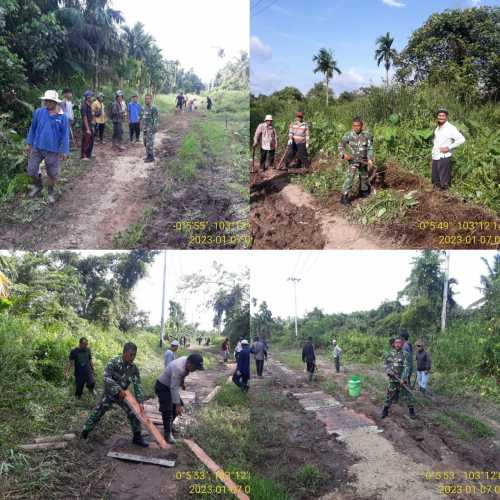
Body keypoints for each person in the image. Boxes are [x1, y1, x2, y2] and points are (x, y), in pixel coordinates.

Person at [81, 342, 149, 447]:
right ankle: (85, 432)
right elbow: (106, 377)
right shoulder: (114, 362)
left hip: (124, 396)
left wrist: (140, 402)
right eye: (131, 354)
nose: (133, 357)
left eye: (134, 355)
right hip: (110, 393)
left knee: (134, 412)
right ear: (124, 353)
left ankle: (137, 437)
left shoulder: (133, 369)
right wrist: (118, 389)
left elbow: (137, 386)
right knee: (98, 411)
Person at [26, 90, 70, 205]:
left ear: (56, 102)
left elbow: (65, 135)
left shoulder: (62, 117)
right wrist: (29, 143)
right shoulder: (39, 112)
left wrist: (64, 151)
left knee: (52, 173)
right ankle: (38, 185)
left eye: (51, 101)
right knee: (31, 169)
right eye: (47, 101)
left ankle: (50, 192)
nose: (48, 103)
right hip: (37, 147)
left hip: (52, 150)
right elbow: (33, 128)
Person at [155, 353, 204, 443]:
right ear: (189, 364)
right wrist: (176, 405)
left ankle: (168, 426)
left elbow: (182, 376)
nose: (195, 370)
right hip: (163, 386)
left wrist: (182, 383)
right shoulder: (178, 368)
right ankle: (167, 434)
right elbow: (174, 388)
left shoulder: (187, 362)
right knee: (168, 409)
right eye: (195, 368)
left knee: (179, 405)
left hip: (170, 386)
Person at [338, 117, 374, 205]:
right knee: (350, 177)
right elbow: (340, 146)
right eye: (354, 126)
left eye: (358, 125)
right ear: (352, 126)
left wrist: (370, 158)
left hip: (363, 161)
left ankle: (363, 191)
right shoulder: (348, 135)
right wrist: (343, 154)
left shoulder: (367, 135)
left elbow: (370, 148)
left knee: (364, 176)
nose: (356, 127)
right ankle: (344, 197)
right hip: (353, 161)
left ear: (362, 126)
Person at [381, 338, 416, 419]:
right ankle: (385, 411)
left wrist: (403, 378)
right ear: (394, 344)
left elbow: (407, 367)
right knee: (389, 395)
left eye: (399, 343)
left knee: (408, 396)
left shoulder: (405, 354)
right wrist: (388, 371)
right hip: (393, 379)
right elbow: (386, 364)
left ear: (402, 344)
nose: (397, 344)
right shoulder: (389, 353)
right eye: (396, 343)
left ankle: (412, 412)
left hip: (402, 381)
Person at [431, 108, 465, 190]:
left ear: (446, 117)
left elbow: (461, 139)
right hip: (436, 157)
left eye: (443, 115)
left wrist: (449, 147)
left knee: (444, 183)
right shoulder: (438, 128)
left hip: (444, 157)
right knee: (435, 181)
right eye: (439, 115)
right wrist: (432, 157)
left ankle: (446, 200)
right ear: (437, 117)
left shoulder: (450, 128)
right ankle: (435, 200)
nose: (441, 117)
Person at [142, 94, 159, 163]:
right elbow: (143, 117)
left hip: (151, 128)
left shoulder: (154, 108)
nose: (147, 100)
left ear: (151, 100)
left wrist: (155, 127)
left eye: (148, 99)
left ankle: (151, 157)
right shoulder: (144, 107)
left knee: (150, 143)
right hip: (145, 128)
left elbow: (156, 119)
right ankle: (148, 155)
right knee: (145, 142)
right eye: (146, 99)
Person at [80, 90, 94, 161]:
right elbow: (84, 117)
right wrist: (87, 129)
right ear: (88, 97)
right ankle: (83, 155)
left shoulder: (89, 105)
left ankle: (89, 154)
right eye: (91, 96)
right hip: (86, 126)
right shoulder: (84, 106)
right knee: (86, 140)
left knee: (91, 140)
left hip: (90, 125)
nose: (92, 98)